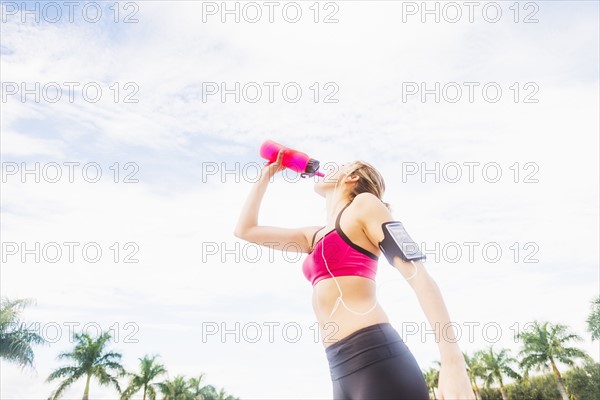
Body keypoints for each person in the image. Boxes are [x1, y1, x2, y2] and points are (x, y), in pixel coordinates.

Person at [234, 149, 476, 400]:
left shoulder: (365, 205)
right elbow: (245, 230)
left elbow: (419, 277)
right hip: (339, 368)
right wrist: (266, 174)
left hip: (376, 358)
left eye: (340, 165)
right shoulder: (313, 236)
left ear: (350, 177)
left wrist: (453, 363)